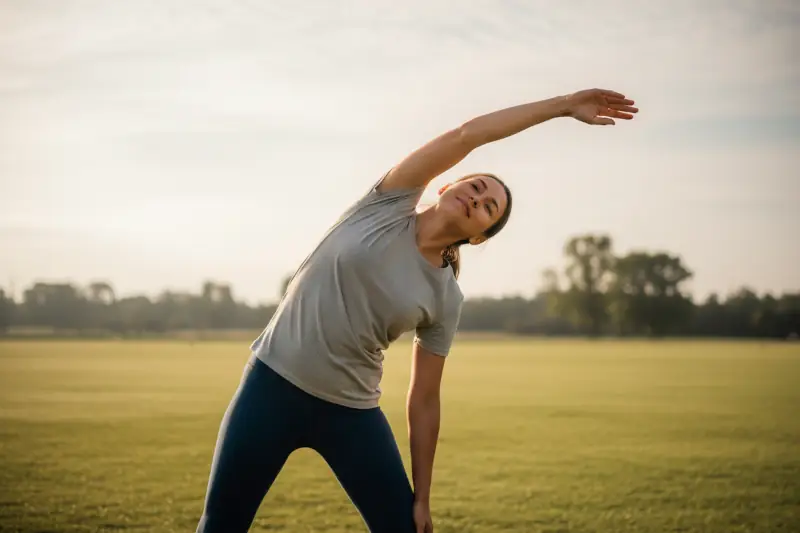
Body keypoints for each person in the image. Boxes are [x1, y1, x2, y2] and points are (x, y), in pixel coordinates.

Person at [195, 88, 638, 533]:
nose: (477, 199)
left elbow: (425, 399)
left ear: (480, 237)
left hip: (349, 412)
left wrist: (422, 497)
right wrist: (562, 106)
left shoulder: (447, 297)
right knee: (221, 525)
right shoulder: (387, 202)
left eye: (488, 208)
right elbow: (471, 133)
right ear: (449, 184)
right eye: (476, 187)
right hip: (272, 385)